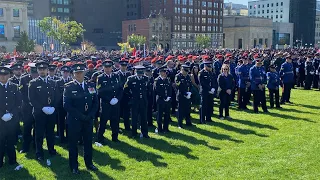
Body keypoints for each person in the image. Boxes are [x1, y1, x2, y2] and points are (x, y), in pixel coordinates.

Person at [63, 63, 99, 174]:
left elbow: (95, 102)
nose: (79, 75)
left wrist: (90, 115)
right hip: (75, 120)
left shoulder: (90, 85)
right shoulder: (69, 87)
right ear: (73, 74)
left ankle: (89, 163)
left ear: (84, 73)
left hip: (88, 120)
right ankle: (74, 166)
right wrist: (81, 116)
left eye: (80, 72)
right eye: (76, 73)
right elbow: (66, 105)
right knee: (73, 144)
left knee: (88, 142)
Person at [28, 61, 58, 161]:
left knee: (50, 131)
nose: (42, 71)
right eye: (40, 69)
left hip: (51, 112)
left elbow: (57, 97)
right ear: (37, 70)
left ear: (47, 70)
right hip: (39, 112)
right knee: (39, 133)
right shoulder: (33, 83)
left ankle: (51, 149)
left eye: (44, 69)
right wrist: (42, 108)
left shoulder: (53, 82)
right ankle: (39, 152)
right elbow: (31, 99)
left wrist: (53, 107)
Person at [0, 66, 21, 168]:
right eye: (1, 75)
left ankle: (12, 160)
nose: (3, 77)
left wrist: (11, 114)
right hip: (0, 120)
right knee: (0, 140)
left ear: (9, 75)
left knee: (11, 140)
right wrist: (1, 115)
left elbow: (18, 103)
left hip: (12, 119)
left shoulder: (15, 86)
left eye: (5, 75)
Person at [96, 60, 122, 143]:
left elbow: (120, 89)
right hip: (105, 103)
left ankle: (115, 137)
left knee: (115, 120)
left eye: (109, 67)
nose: (107, 69)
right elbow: (99, 91)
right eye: (106, 67)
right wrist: (109, 99)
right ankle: (100, 138)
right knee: (103, 121)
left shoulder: (116, 76)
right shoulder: (100, 77)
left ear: (112, 67)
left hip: (115, 102)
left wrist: (117, 98)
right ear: (103, 68)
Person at [124, 65, 150, 138]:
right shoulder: (131, 79)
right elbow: (125, 89)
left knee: (144, 118)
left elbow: (148, 89)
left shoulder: (146, 78)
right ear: (135, 72)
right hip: (134, 101)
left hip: (143, 101)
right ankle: (134, 133)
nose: (140, 74)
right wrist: (131, 96)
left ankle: (145, 133)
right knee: (134, 118)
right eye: (138, 72)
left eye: (141, 72)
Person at [19, 63, 38, 153]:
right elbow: (21, 93)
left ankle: (36, 144)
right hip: (27, 107)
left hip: (38, 107)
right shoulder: (23, 79)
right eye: (32, 72)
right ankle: (25, 145)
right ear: (29, 71)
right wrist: (30, 102)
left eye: (35, 72)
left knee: (37, 127)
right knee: (27, 127)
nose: (34, 74)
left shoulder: (39, 80)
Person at [56, 66, 72, 143]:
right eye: (64, 72)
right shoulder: (58, 82)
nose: (65, 74)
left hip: (70, 105)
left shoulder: (72, 81)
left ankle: (69, 137)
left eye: (67, 72)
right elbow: (57, 94)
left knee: (69, 122)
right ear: (61, 73)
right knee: (61, 122)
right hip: (60, 105)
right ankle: (61, 137)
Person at [154, 65, 172, 133]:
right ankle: (159, 128)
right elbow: (157, 90)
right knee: (160, 115)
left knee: (167, 114)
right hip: (160, 100)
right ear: (160, 72)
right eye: (163, 72)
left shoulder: (168, 79)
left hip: (167, 99)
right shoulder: (157, 80)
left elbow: (170, 89)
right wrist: (164, 97)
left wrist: (169, 97)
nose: (165, 73)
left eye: (165, 72)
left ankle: (166, 128)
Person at [116, 60, 131, 131]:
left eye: (125, 66)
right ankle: (117, 127)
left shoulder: (129, 74)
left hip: (126, 96)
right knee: (118, 112)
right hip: (119, 96)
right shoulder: (116, 74)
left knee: (126, 112)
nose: (124, 67)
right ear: (120, 66)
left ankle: (127, 126)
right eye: (122, 66)